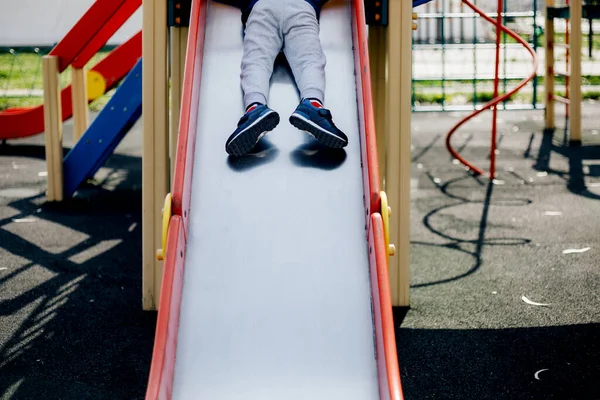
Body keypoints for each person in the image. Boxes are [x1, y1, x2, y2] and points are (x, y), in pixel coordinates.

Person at [218, 0, 349, 156]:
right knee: (309, 61)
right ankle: (313, 107)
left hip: (262, 8)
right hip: (301, 7)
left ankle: (254, 108)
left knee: (257, 61)